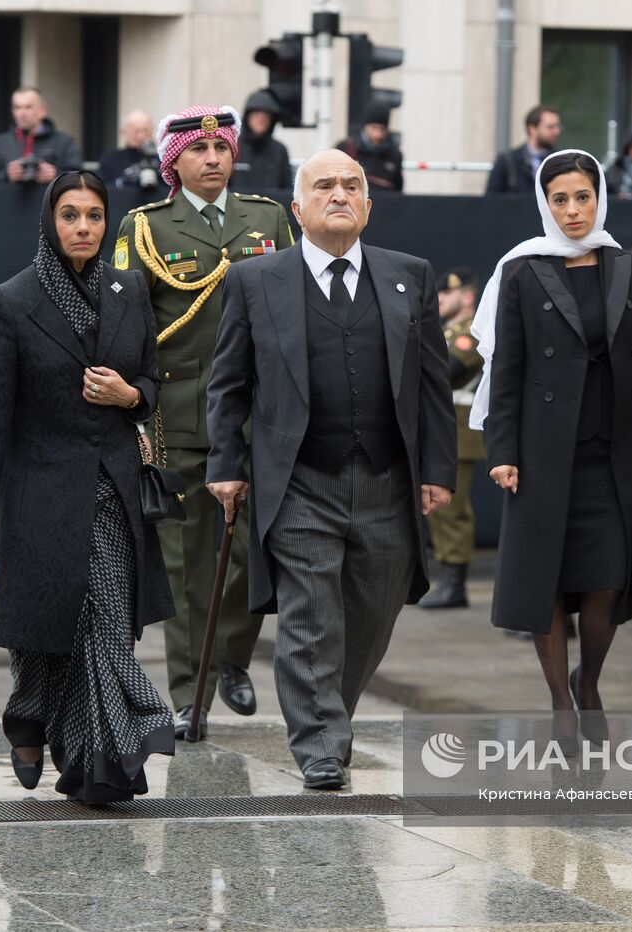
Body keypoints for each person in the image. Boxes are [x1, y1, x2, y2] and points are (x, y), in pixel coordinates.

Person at [205, 149, 455, 789]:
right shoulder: (254, 281)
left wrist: (438, 469)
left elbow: (432, 384)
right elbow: (228, 384)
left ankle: (329, 715)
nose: (338, 195)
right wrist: (226, 464)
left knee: (373, 613)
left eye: (351, 186)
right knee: (310, 617)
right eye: (324, 186)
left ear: (368, 206)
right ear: (298, 208)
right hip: (297, 482)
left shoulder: (411, 276)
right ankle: (319, 743)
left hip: (386, 481)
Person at [0, 170, 177, 802]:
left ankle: (105, 767)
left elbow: (154, 384)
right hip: (39, 494)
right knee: (47, 631)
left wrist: (129, 394)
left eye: (96, 216)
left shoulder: (131, 289)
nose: (84, 228)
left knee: (103, 624)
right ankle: (28, 710)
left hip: (112, 492)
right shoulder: (12, 298)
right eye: (71, 216)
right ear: (51, 223)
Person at [474, 149, 632, 746]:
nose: (572, 210)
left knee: (609, 581)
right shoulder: (523, 270)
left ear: (599, 197)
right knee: (547, 581)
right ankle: (563, 701)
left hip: (615, 450)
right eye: (559, 198)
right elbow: (506, 369)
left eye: (582, 196)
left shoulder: (631, 270)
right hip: (541, 452)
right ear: (545, 203)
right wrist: (501, 450)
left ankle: (590, 683)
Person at [114, 105, 294, 740]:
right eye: (199, 151)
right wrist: (135, 408)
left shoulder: (269, 218)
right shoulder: (145, 227)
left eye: (222, 149)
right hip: (182, 413)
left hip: (259, 412)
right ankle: (192, 694)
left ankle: (233, 659)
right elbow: (126, 324)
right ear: (175, 161)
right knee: (187, 560)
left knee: (254, 545)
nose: (214, 159)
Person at [418, 267, 484, 609]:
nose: (440, 300)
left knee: (452, 508)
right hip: (441, 427)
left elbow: (449, 372)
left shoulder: (469, 333)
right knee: (437, 509)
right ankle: (446, 576)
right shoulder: (445, 331)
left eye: (448, 295)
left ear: (467, 297)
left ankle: (455, 582)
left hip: (460, 428)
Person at [0, 87, 82, 184]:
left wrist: (55, 175)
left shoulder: (64, 142)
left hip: (49, 200)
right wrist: (6, 175)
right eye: (17, 107)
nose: (22, 113)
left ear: (43, 110)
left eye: (28, 107)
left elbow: (78, 179)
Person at [486, 105, 561, 194]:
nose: (557, 132)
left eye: (557, 126)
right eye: (550, 127)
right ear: (532, 129)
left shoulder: (559, 161)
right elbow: (490, 200)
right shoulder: (507, 161)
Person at [232, 90, 293, 192]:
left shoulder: (279, 150)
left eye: (266, 116)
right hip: (236, 206)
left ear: (272, 120)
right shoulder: (233, 146)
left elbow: (287, 190)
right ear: (248, 116)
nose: (261, 119)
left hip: (270, 206)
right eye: (257, 114)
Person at [336, 104, 404, 192]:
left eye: (382, 129)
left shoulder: (395, 155)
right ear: (365, 127)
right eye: (373, 127)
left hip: (385, 204)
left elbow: (398, 190)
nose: (378, 134)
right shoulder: (346, 148)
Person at [97, 109, 163, 193]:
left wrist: (160, 174)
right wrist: (121, 182)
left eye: (146, 130)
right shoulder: (110, 159)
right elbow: (100, 191)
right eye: (136, 131)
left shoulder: (160, 160)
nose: (141, 136)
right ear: (123, 132)